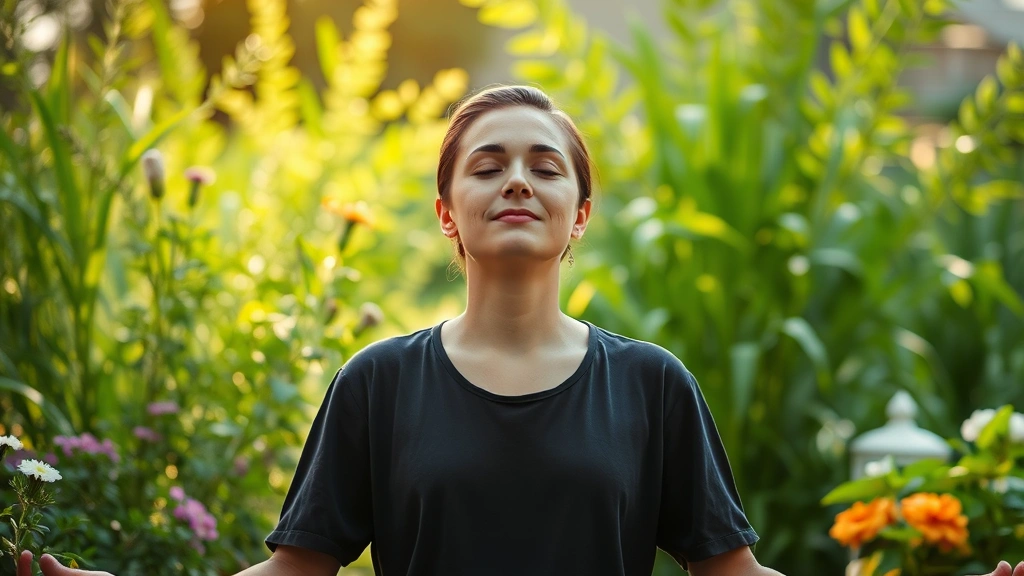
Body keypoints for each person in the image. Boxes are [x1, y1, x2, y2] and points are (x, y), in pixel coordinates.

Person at [17, 86, 1024, 576]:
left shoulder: (650, 386)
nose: (516, 179)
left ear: (578, 215)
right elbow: (294, 574)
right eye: (487, 163)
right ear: (447, 211)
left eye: (546, 166)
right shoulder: (376, 384)